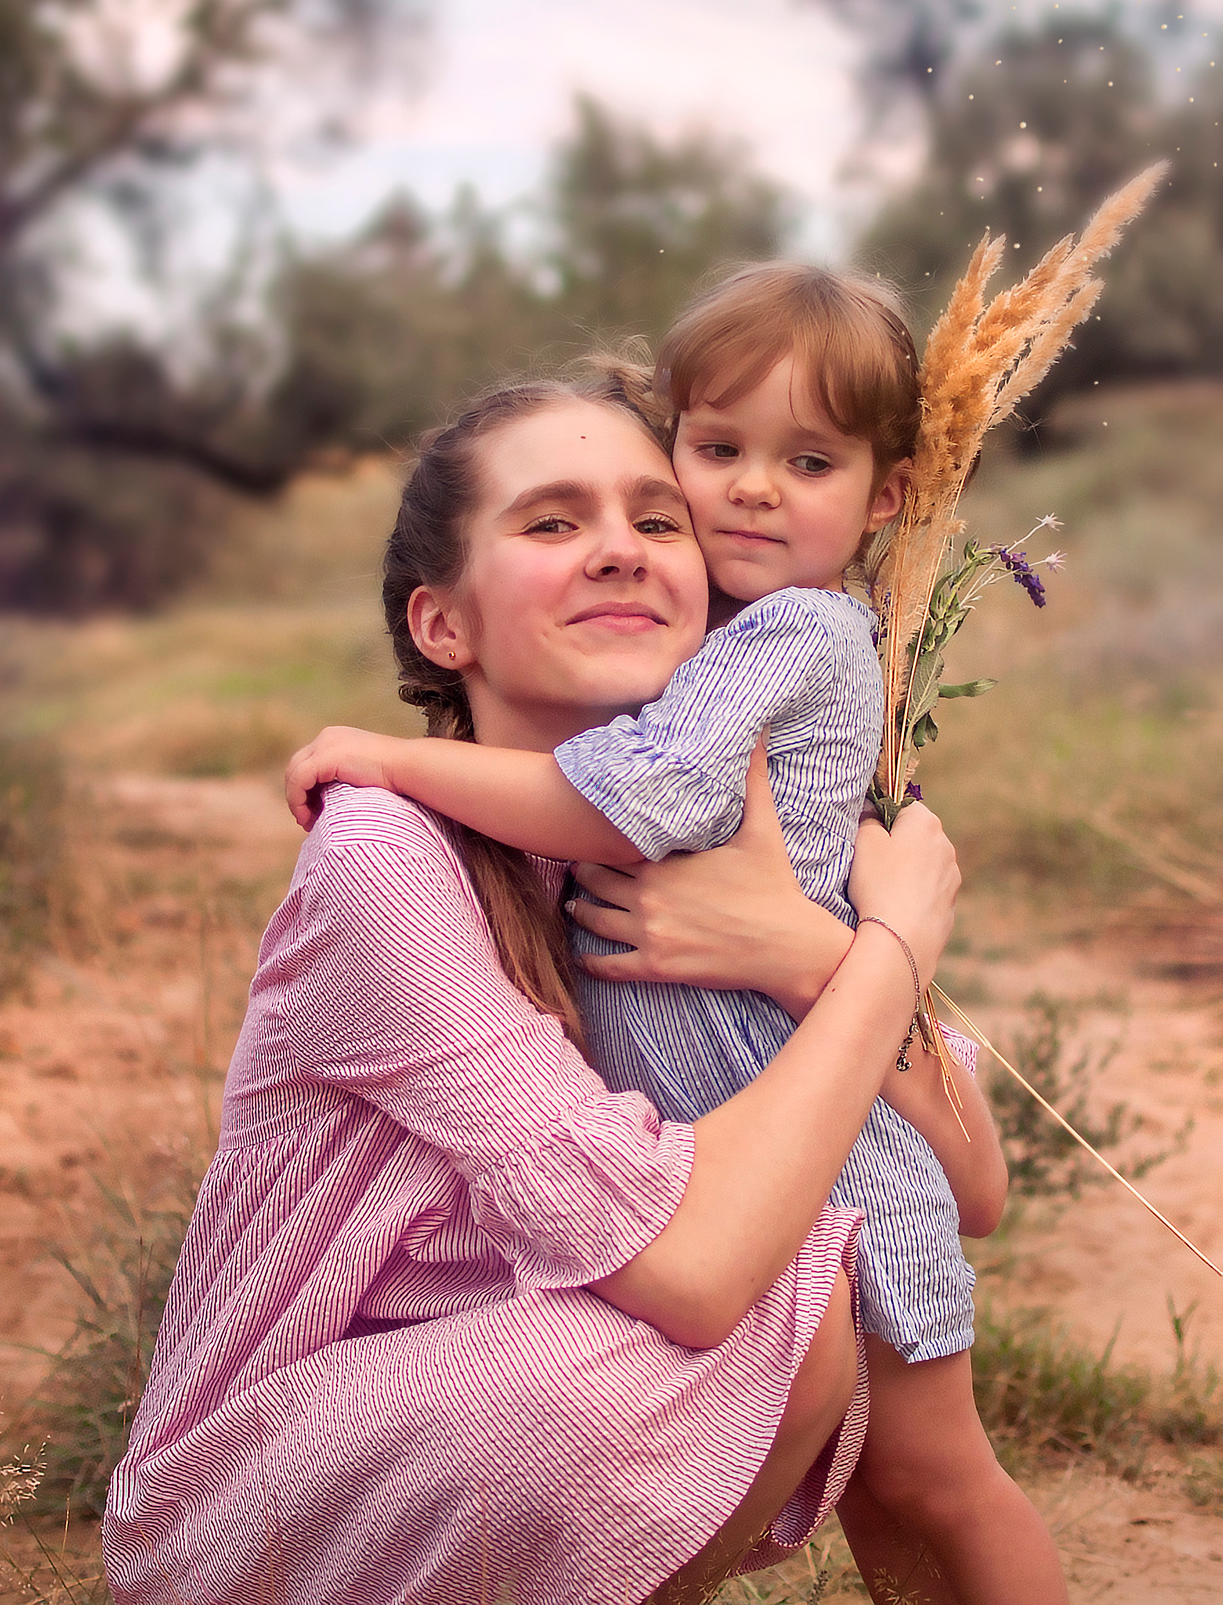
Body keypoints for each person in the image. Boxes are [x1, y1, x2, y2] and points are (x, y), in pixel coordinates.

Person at [103, 369, 966, 1605]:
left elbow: (970, 1181)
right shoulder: (385, 855)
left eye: (656, 520)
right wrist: (890, 952)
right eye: (553, 523)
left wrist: (801, 951)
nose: (620, 549)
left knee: (798, 1294)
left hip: (480, 1390)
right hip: (258, 1498)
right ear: (441, 627)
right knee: (769, 1299)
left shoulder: (718, 840)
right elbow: (695, 1270)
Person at [285, 266, 1068, 1603]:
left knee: (936, 1481)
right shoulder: (740, 648)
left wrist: (391, 757)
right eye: (715, 454)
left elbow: (638, 797)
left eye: (805, 460)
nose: (752, 490)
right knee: (900, 1502)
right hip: (755, 1161)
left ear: (884, 497)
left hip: (838, 1167)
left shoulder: (796, 637)